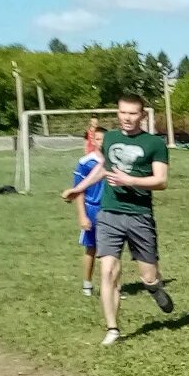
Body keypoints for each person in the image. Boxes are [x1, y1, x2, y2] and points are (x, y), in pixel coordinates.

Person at [93, 94, 174, 344]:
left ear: (142, 115)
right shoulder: (109, 138)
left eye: (132, 113)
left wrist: (130, 180)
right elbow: (104, 168)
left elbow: (161, 181)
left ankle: (154, 288)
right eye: (123, 112)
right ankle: (113, 329)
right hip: (109, 212)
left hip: (139, 215)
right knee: (108, 271)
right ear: (117, 113)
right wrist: (79, 188)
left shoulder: (154, 144)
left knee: (148, 276)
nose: (127, 118)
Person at [62, 124, 107, 296]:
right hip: (92, 210)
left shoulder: (113, 161)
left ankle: (111, 286)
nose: (100, 142)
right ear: (92, 141)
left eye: (103, 138)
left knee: (110, 251)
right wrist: (82, 216)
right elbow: (78, 189)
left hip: (110, 211)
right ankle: (87, 284)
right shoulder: (85, 162)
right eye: (96, 138)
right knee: (91, 248)